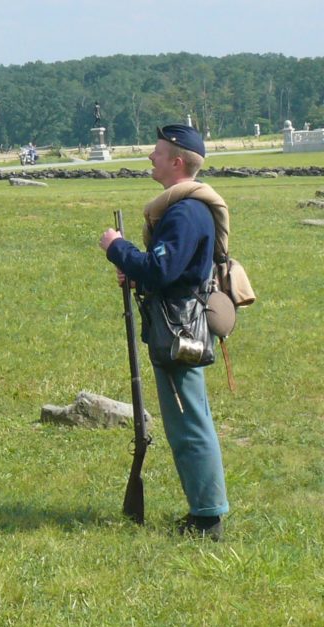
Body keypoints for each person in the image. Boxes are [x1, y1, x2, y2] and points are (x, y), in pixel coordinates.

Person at [99, 124, 228, 540]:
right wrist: (136, 273)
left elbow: (162, 268)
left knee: (189, 424)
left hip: (178, 328)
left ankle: (207, 518)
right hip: (176, 320)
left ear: (177, 161)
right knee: (188, 419)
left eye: (157, 152)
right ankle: (205, 511)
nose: (150, 158)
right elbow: (169, 270)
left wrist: (117, 248)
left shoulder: (186, 211)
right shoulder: (185, 207)